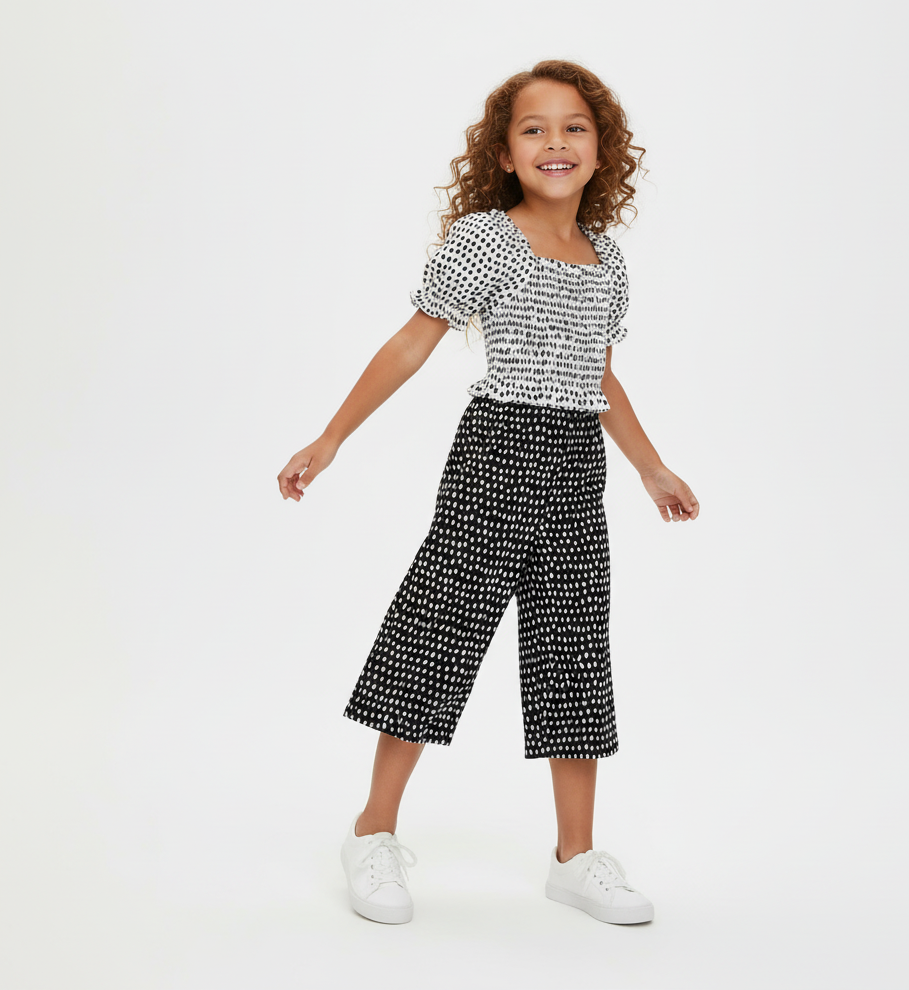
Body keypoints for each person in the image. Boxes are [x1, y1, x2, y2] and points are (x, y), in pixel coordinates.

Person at [277, 60, 700, 926]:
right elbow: (412, 341)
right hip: (497, 451)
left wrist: (650, 467)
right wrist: (330, 437)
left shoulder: (606, 258)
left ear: (601, 150)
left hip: (576, 463)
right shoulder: (486, 239)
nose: (555, 142)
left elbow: (598, 374)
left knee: (573, 648)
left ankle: (575, 857)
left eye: (574, 127)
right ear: (505, 154)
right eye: (533, 129)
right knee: (438, 632)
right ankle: (372, 832)